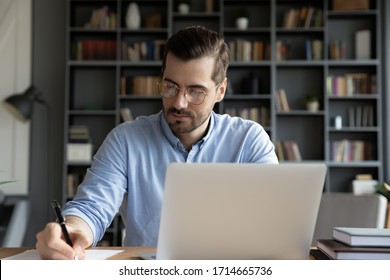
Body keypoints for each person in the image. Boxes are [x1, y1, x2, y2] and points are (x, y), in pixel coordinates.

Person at [36, 26, 278, 259]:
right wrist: (74, 231)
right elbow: (92, 207)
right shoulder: (125, 140)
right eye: (171, 86)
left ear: (221, 91)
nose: (180, 103)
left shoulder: (249, 140)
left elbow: (274, 219)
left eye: (196, 91)